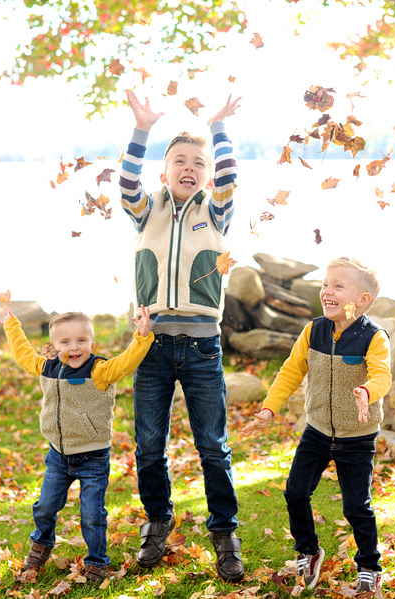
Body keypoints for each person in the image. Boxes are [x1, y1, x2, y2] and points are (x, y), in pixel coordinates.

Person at [117, 90, 245, 582]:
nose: (188, 168)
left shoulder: (215, 213)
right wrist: (142, 131)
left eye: (198, 163)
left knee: (213, 445)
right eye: (179, 162)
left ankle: (224, 530)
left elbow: (231, 176)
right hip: (150, 348)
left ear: (208, 176)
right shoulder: (145, 211)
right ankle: (157, 519)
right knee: (149, 446)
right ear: (164, 171)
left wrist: (217, 129)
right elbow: (125, 180)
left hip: (200, 348)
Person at [241, 257, 392, 594]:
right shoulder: (313, 330)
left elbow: (382, 374)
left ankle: (369, 566)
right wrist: (269, 410)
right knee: (295, 492)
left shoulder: (374, 337)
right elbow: (291, 371)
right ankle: (309, 552)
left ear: (363, 300)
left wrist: (367, 391)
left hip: (357, 438)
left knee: (357, 507)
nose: (327, 291)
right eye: (326, 284)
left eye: (338, 286)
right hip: (317, 432)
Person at [0, 305, 154, 584]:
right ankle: (42, 543)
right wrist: (12, 325)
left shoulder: (100, 371)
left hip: (93, 458)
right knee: (45, 506)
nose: (74, 347)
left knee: (92, 515)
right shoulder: (48, 367)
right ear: (54, 347)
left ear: (92, 344)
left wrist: (141, 337)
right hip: (58, 456)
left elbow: (126, 363)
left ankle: (96, 561)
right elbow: (23, 354)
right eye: (65, 342)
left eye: (81, 340)